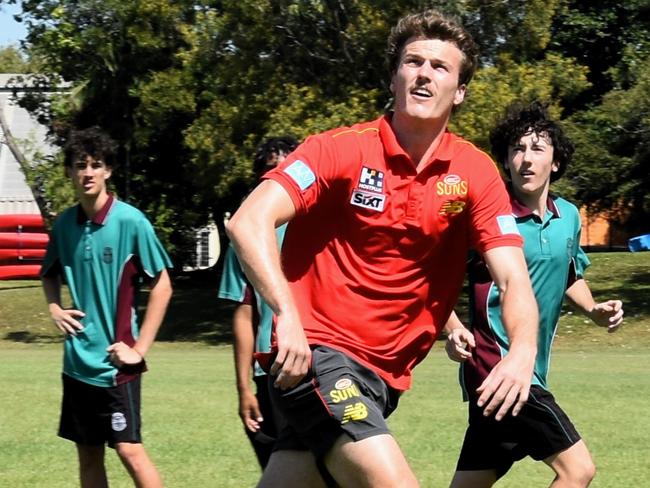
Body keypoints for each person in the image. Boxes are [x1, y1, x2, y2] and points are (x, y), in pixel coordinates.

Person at [226, 10, 540, 487]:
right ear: (394, 77)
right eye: (413, 62)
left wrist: (522, 351)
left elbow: (513, 276)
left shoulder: (475, 173)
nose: (423, 74)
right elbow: (249, 221)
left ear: (459, 92)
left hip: (385, 376)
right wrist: (285, 313)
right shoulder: (338, 149)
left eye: (440, 67)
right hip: (317, 356)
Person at [445, 101, 624, 488]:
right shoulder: (485, 217)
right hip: (500, 370)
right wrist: (451, 327)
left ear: (555, 162)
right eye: (516, 149)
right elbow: (432, 278)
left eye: (537, 149)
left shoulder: (570, 217)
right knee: (578, 470)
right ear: (506, 161)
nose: (525, 159)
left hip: (529, 370)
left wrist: (594, 310)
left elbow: (569, 272)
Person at [40, 127, 173, 488]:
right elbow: (48, 273)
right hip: (76, 364)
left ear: (108, 171)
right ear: (69, 171)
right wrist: (54, 308)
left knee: (129, 449)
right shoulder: (65, 224)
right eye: (79, 165)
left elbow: (161, 285)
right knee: (88, 454)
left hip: (115, 367)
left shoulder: (131, 221)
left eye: (95, 165)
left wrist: (139, 349)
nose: (87, 172)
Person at [218, 136, 298, 468]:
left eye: (287, 169)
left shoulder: (324, 225)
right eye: (270, 170)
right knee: (279, 470)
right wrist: (243, 388)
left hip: (322, 367)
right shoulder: (246, 232)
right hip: (269, 372)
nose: (278, 177)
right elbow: (243, 312)